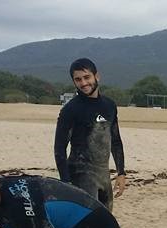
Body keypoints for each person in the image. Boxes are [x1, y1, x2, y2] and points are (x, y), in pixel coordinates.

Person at [54, 58, 127, 211]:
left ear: (96, 76)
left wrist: (121, 173)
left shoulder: (109, 105)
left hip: (103, 175)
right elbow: (59, 148)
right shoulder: (71, 109)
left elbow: (115, 140)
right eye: (78, 79)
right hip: (80, 175)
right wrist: (66, 183)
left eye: (87, 77)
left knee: (106, 223)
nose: (83, 83)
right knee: (87, 224)